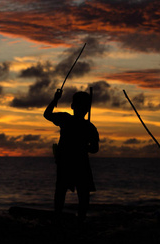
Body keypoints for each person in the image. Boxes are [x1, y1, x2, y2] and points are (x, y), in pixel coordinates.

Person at [44, 89, 99, 225]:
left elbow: (47, 114)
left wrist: (56, 99)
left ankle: (59, 218)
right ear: (87, 108)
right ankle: (80, 220)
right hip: (78, 163)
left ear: (72, 106)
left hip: (68, 162)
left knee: (63, 191)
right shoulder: (89, 127)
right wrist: (85, 146)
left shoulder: (67, 119)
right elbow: (94, 149)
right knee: (82, 193)